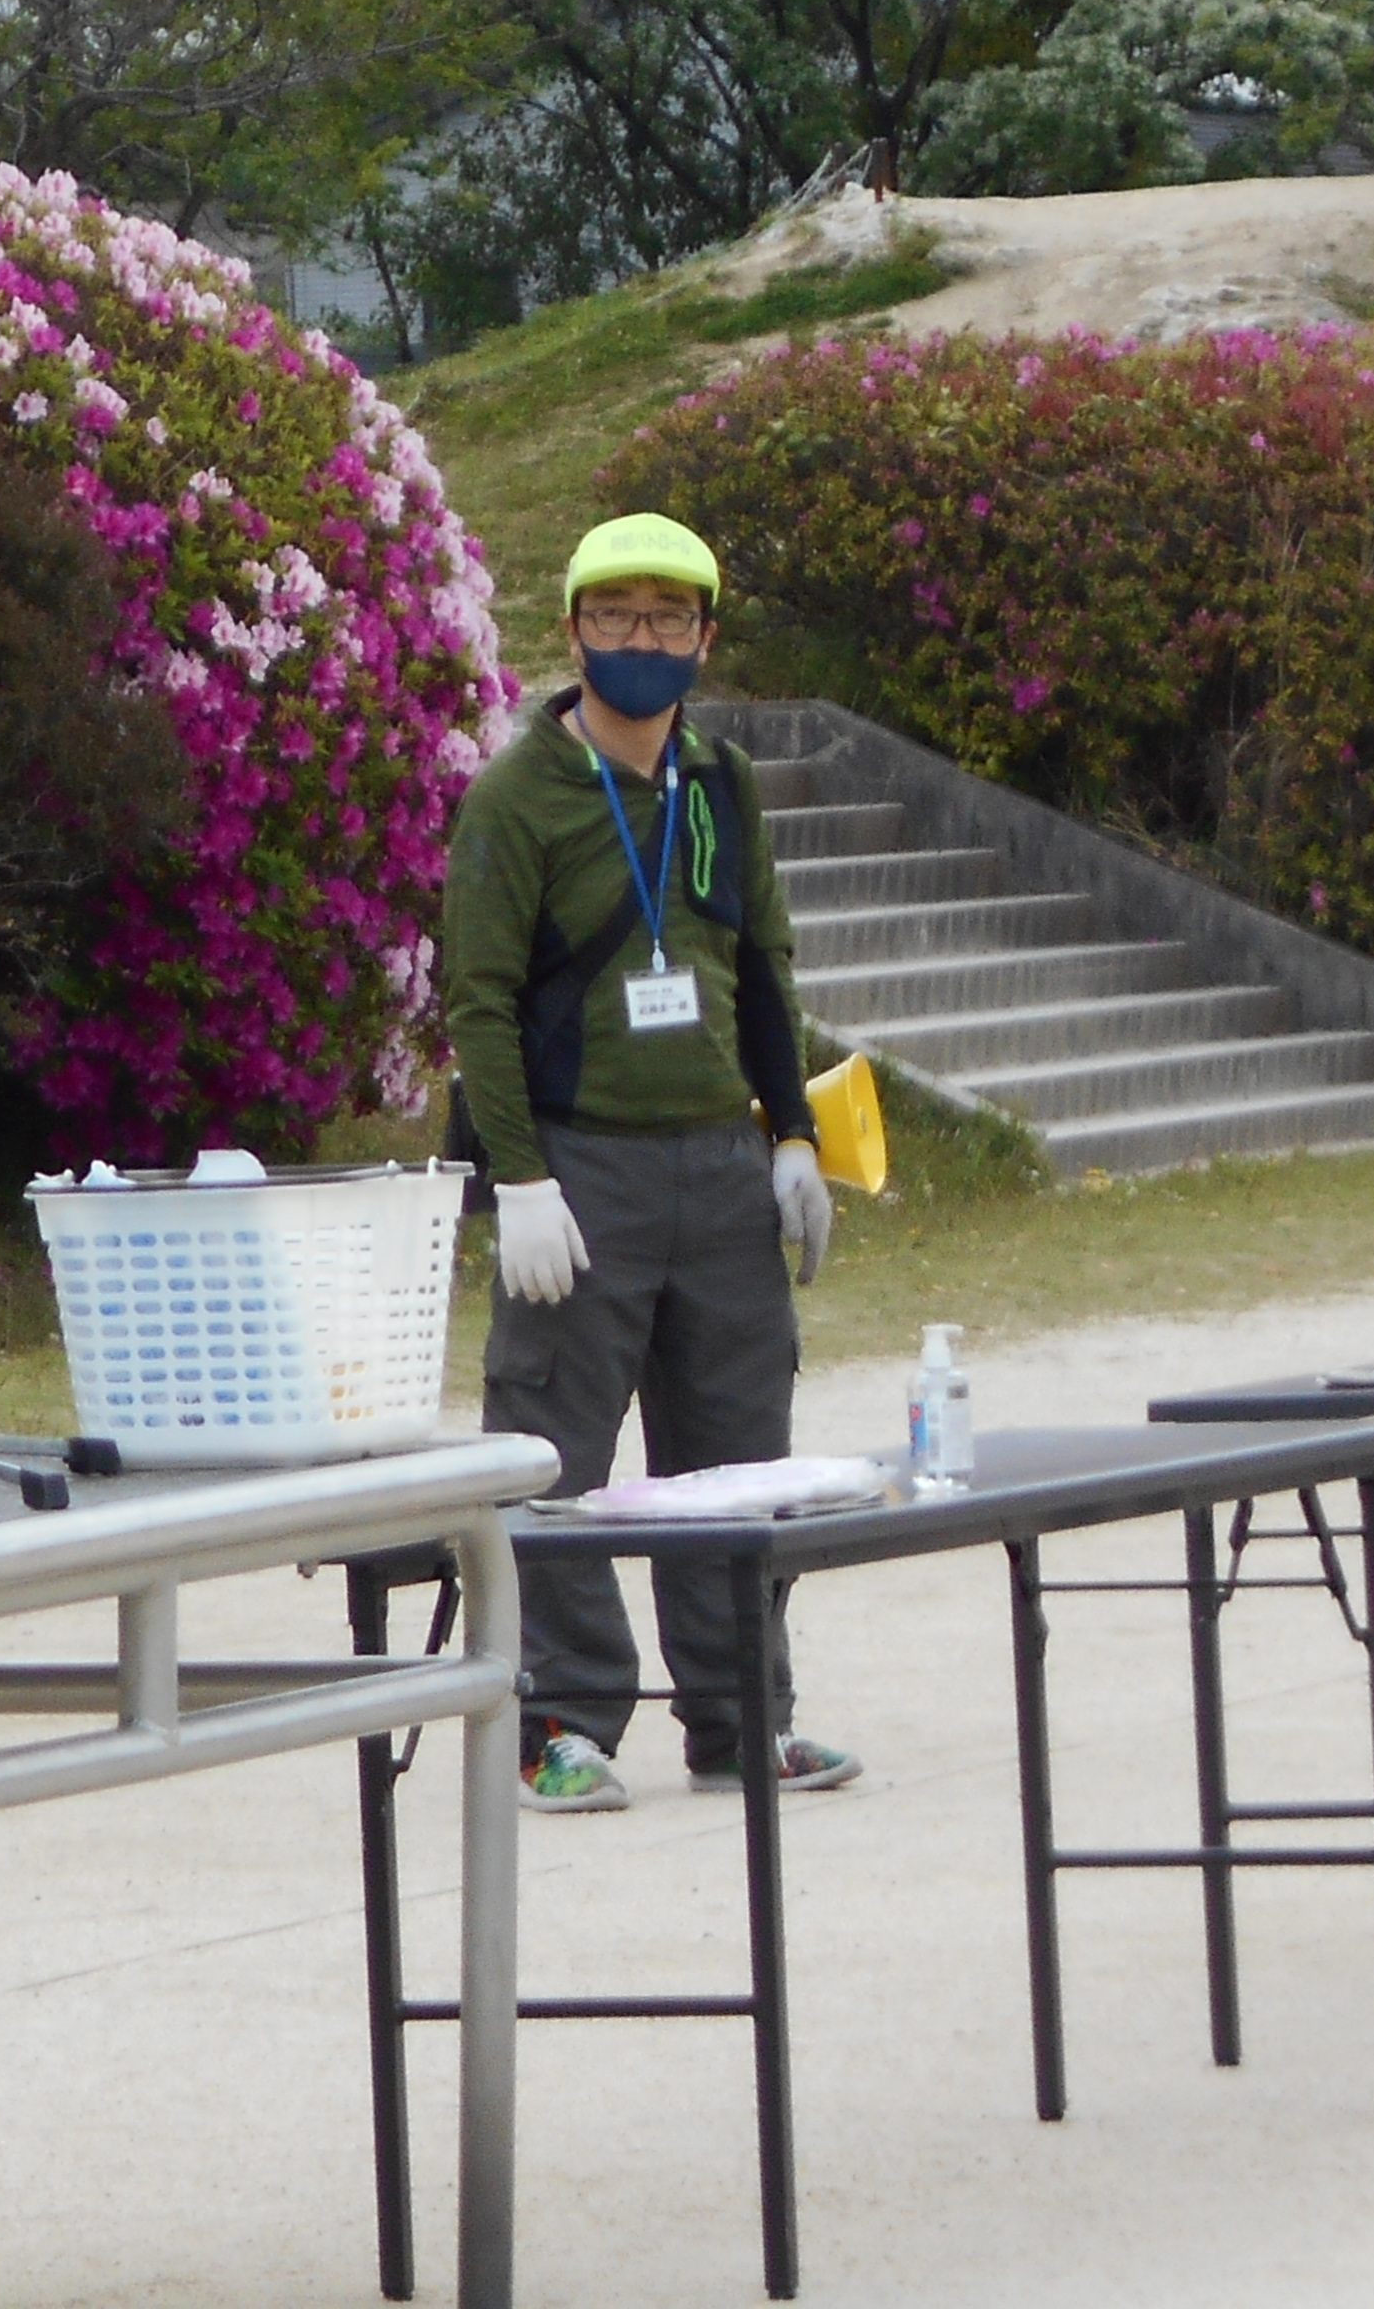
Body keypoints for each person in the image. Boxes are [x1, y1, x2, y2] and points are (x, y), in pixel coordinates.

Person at [439, 511, 857, 1813]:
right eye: (616, 617)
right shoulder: (519, 798)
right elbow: (481, 1005)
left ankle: (743, 1719)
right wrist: (519, 1180)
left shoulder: (724, 785)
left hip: (717, 1167)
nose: (641, 642)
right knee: (552, 1451)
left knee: (741, 1450)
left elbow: (763, 974)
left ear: (704, 638)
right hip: (581, 1167)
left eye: (668, 620)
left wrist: (791, 1134)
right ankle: (559, 1722)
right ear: (571, 632)